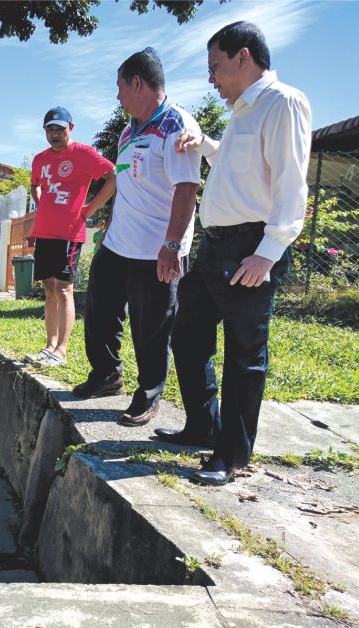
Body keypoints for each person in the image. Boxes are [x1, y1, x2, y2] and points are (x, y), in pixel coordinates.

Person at [156, 22, 312, 486]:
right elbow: (240, 165)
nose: (211, 79)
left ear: (243, 58)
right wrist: (205, 145)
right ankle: (203, 426)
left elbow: (290, 182)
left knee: (244, 353)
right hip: (215, 246)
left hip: (251, 246)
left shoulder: (283, 102)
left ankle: (232, 454)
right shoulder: (242, 111)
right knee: (187, 336)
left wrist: (267, 252)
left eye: (216, 67)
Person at [72, 48, 201, 428]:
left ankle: (148, 394)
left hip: (156, 249)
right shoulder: (129, 131)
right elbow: (124, 181)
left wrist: (172, 245)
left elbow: (186, 189)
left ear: (138, 83)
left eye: (120, 87)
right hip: (118, 244)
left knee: (152, 326)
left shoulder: (176, 125)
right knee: (98, 312)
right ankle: (106, 375)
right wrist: (106, 219)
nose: (118, 96)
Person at [26, 106, 116, 366]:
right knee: (49, 288)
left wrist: (89, 209)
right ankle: (49, 346)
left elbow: (113, 177)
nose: (54, 134)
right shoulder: (40, 159)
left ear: (71, 128)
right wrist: (41, 204)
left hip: (68, 234)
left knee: (64, 288)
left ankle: (61, 351)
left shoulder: (83, 154)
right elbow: (34, 185)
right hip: (44, 232)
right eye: (49, 129)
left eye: (59, 129)